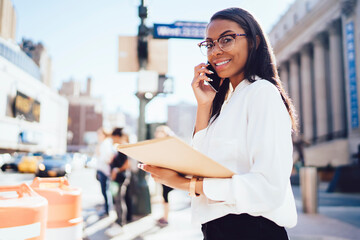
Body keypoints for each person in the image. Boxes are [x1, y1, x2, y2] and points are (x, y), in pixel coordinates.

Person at [139, 7, 298, 239]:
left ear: (253, 42)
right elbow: (203, 164)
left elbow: (267, 187)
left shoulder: (261, 93)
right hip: (218, 230)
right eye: (210, 44)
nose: (215, 51)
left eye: (226, 39)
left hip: (251, 231)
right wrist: (204, 105)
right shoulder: (227, 103)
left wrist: (187, 185)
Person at [105, 128, 132, 237]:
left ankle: (121, 223)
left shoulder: (124, 147)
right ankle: (119, 221)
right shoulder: (118, 147)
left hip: (121, 178)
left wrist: (116, 170)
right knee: (117, 200)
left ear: (117, 136)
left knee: (119, 200)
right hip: (118, 179)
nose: (112, 139)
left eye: (113, 137)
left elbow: (127, 164)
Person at [153, 125, 175, 226]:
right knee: (164, 197)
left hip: (168, 174)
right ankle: (164, 216)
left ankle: (166, 218)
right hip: (162, 174)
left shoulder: (169, 145)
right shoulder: (162, 145)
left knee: (166, 197)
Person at [95, 127, 114, 218]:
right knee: (104, 191)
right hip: (101, 169)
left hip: (104, 170)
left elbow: (108, 157)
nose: (98, 136)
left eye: (99, 134)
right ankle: (106, 209)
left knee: (105, 191)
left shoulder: (106, 143)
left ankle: (107, 210)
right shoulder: (102, 143)